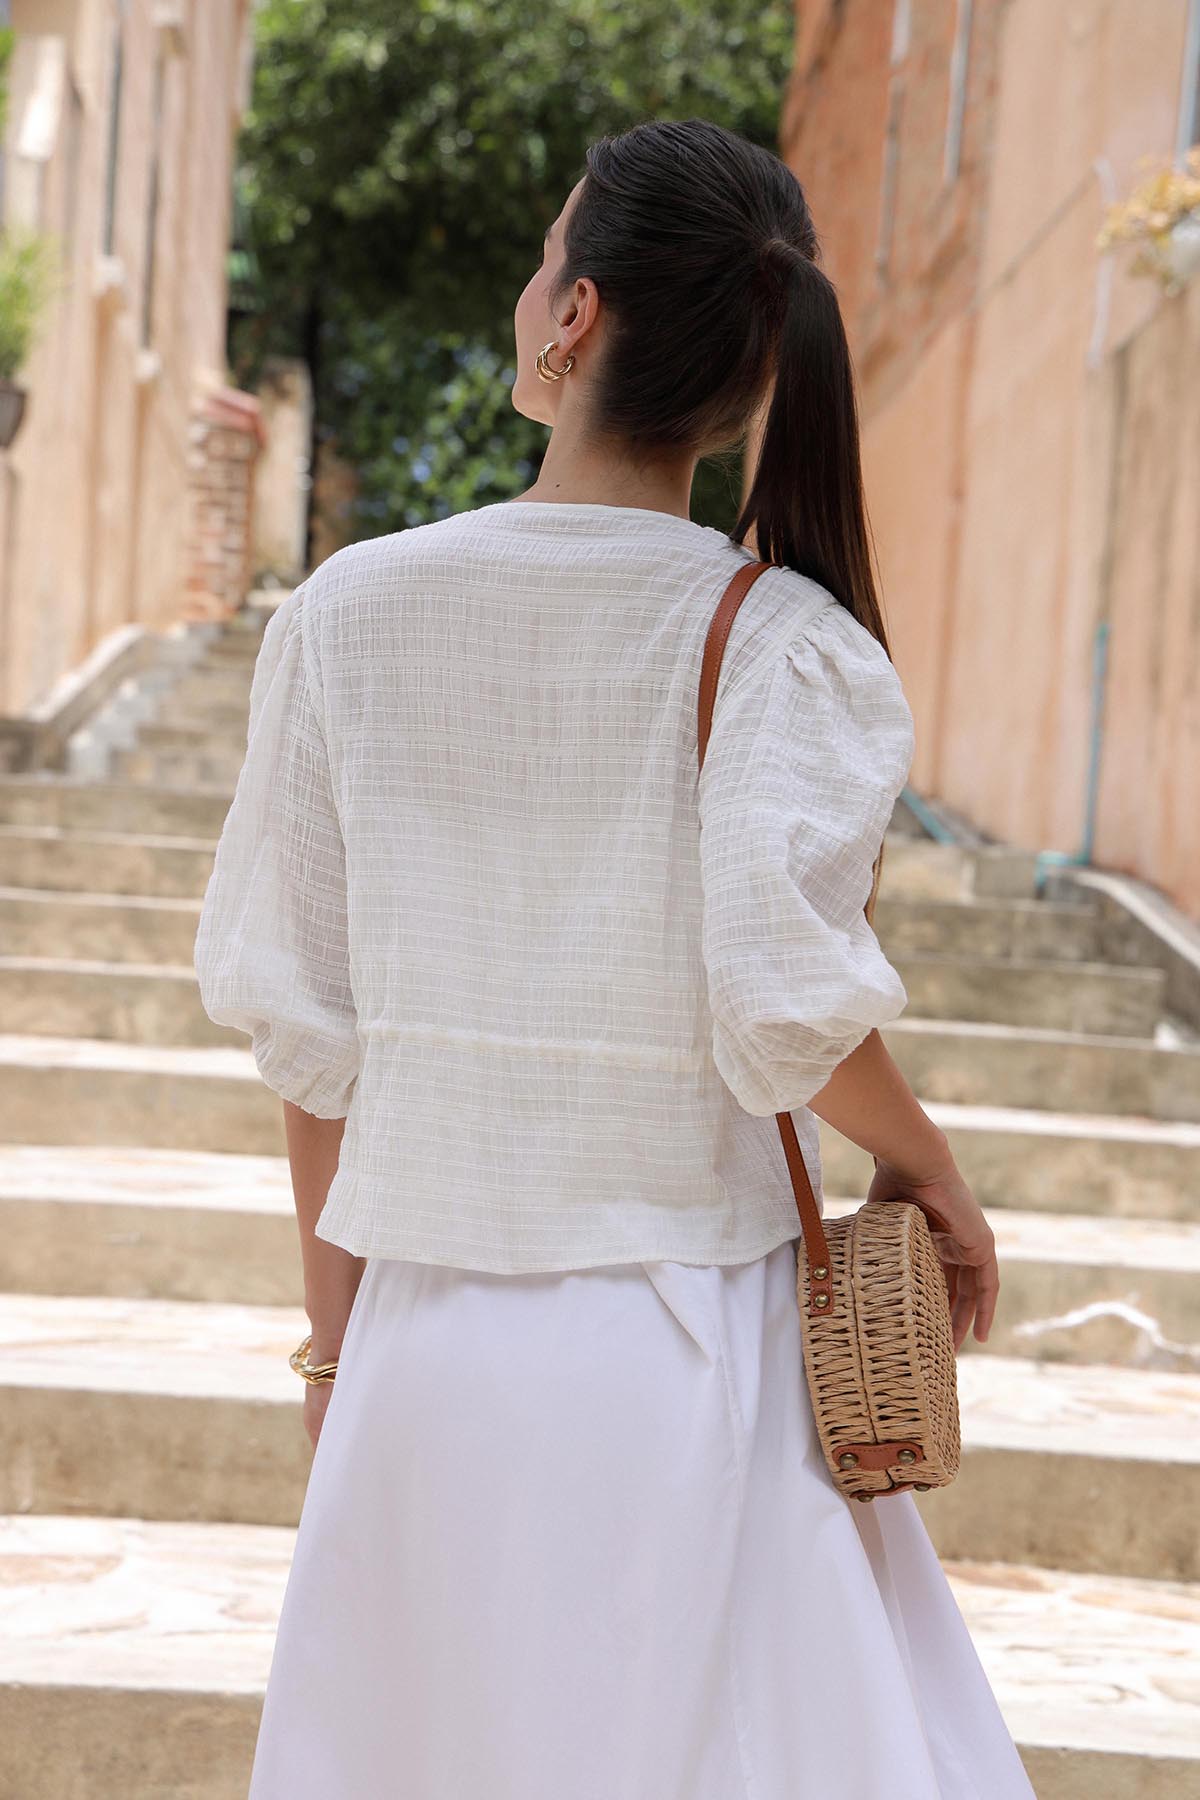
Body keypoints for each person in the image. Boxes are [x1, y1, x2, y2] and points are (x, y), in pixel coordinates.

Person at [194, 117, 1035, 1799]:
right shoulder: (785, 643)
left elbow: (311, 1044)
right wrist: (930, 1166)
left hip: (431, 1349)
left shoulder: (350, 614)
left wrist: (337, 1352)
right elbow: (785, 1003)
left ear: (572, 316)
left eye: (544, 254)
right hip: (698, 1350)